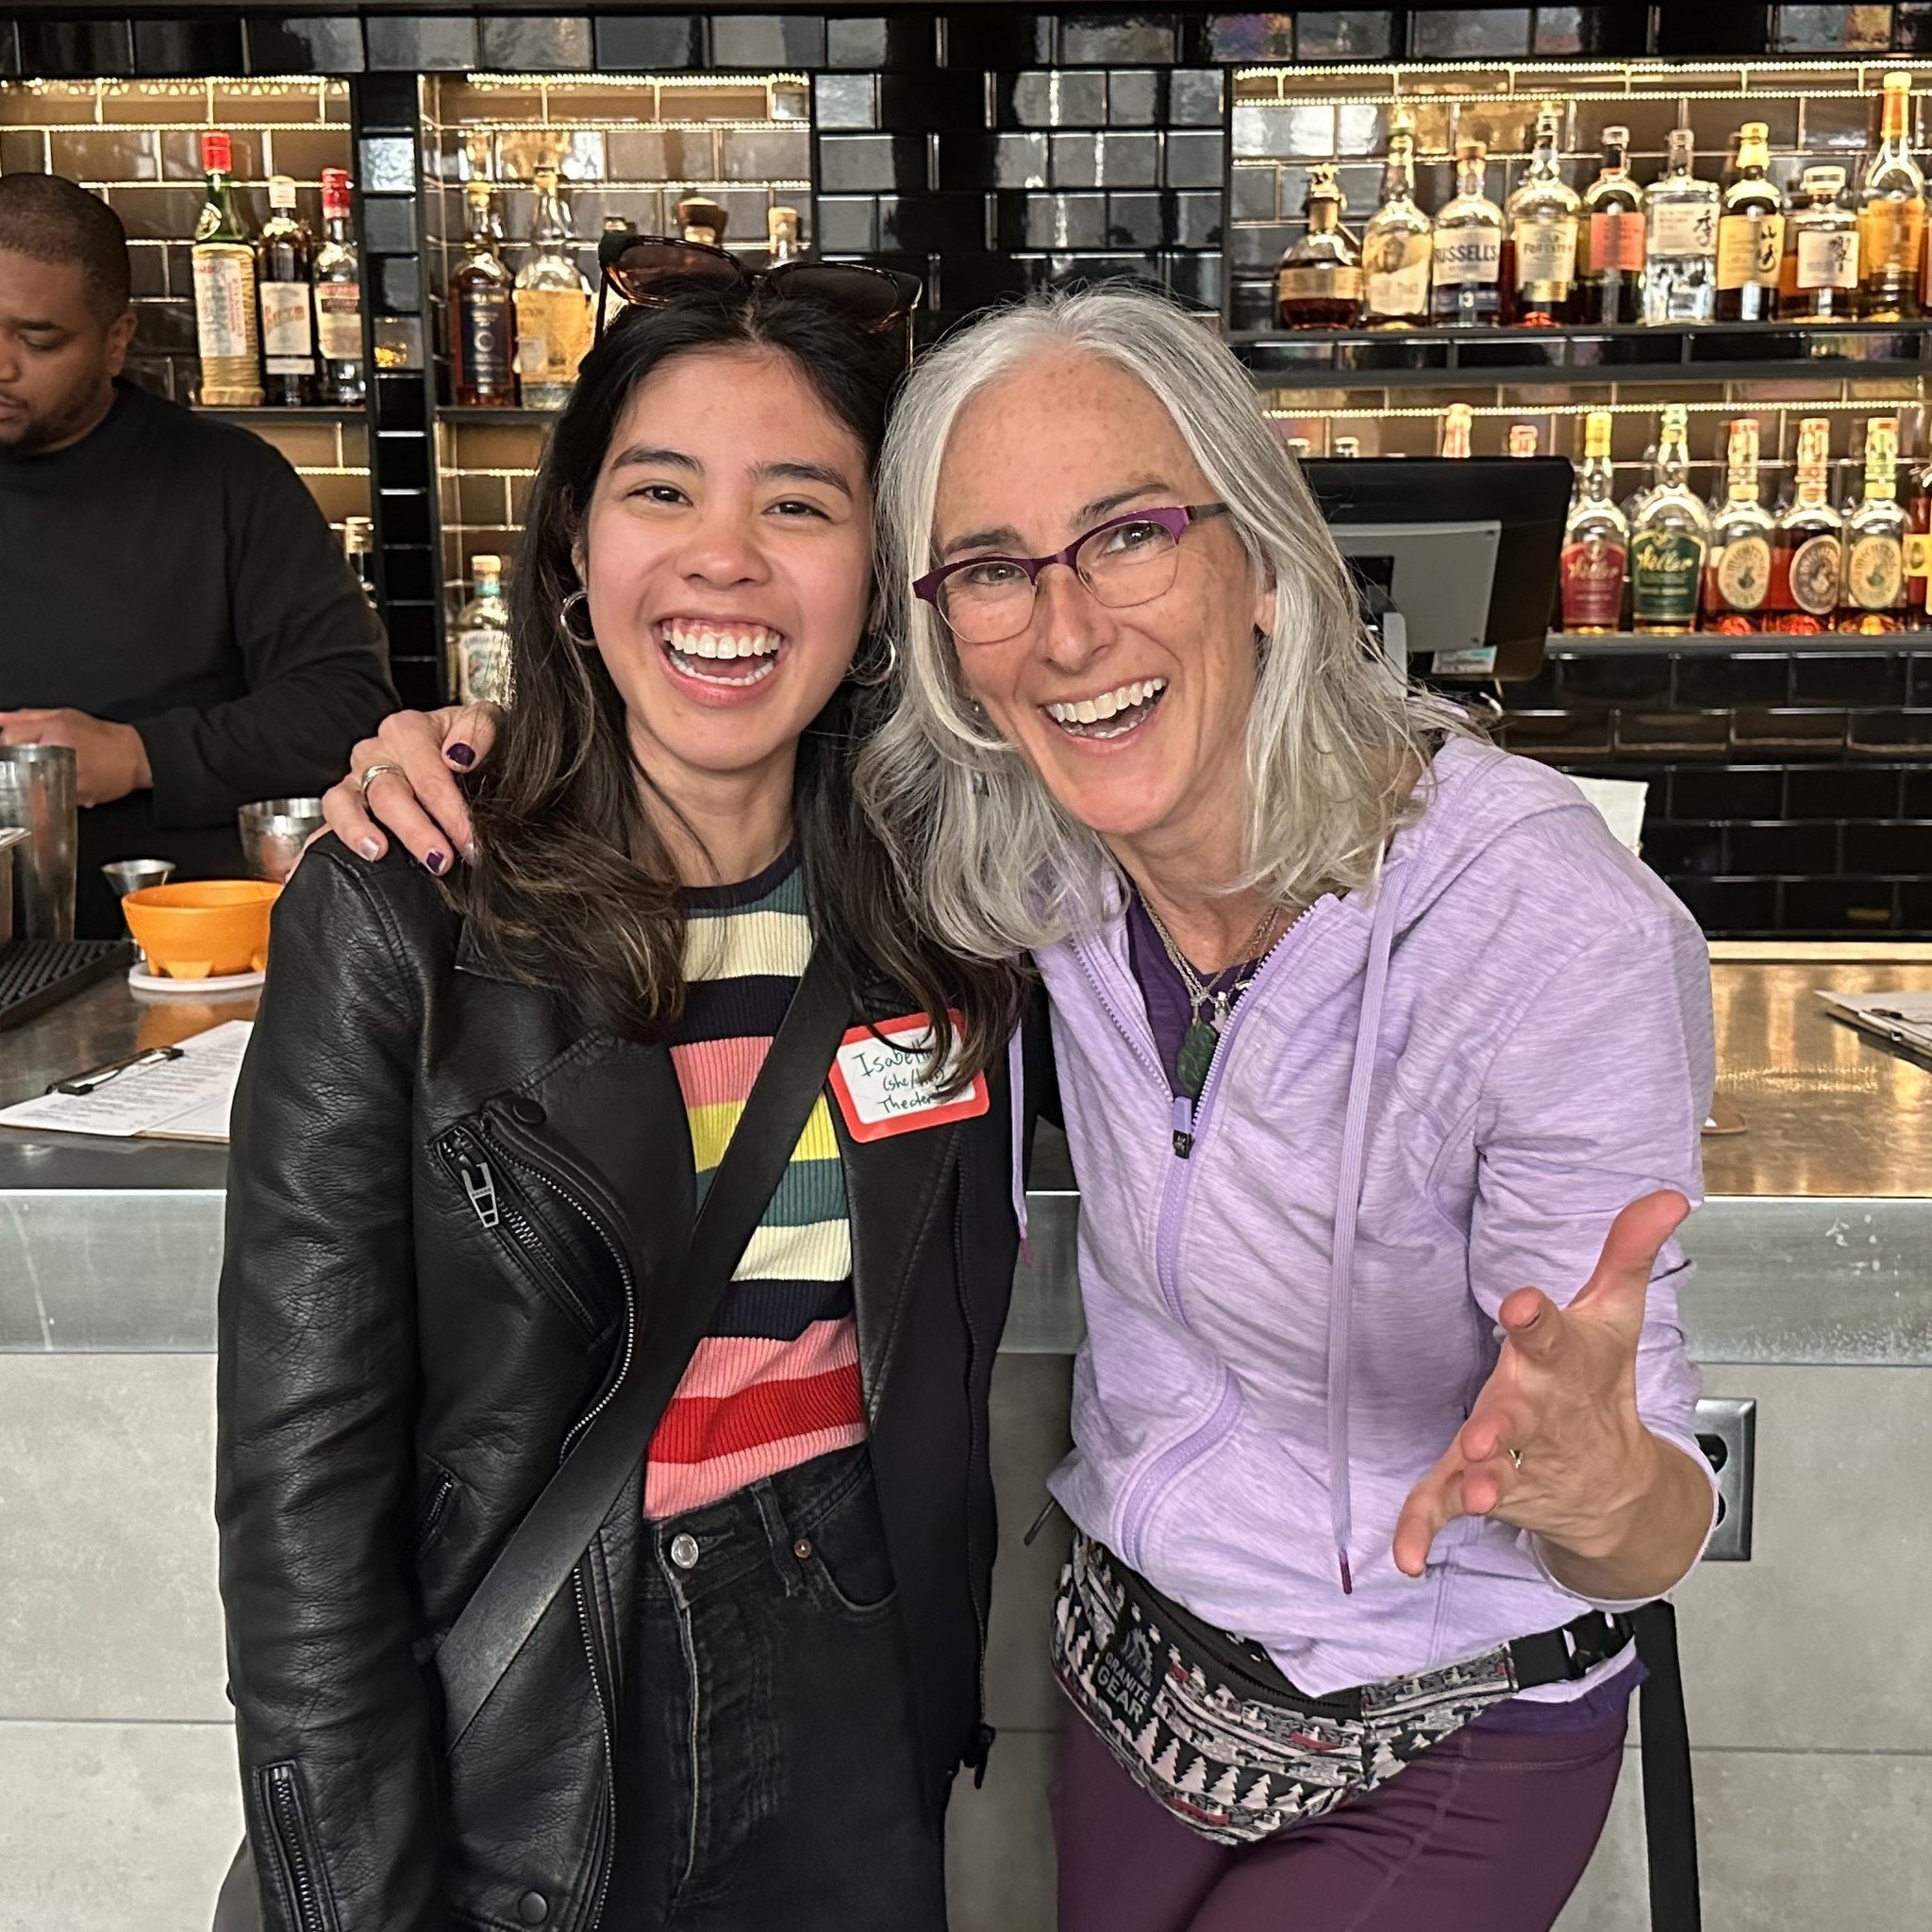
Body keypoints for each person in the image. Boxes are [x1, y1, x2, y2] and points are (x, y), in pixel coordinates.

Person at [324, 287, 1719, 1932]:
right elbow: (704, 737)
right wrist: (449, 748)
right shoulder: (1012, 858)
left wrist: (1593, 1483)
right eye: (989, 566)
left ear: (1257, 553)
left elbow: (1650, 1517)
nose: (1065, 630)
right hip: (1136, 1685)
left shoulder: (1543, 931)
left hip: (1442, 1713)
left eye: (1126, 535)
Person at [219, 272, 1036, 1932]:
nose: (722, 557)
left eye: (797, 503)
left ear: (878, 585)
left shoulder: (958, 898)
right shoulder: (405, 906)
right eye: (661, 489)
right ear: (577, 553)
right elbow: (302, 1496)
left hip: (851, 1675)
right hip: (532, 1698)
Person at [0, 172, 394, 937]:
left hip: (179, 951)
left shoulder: (227, 482)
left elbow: (345, 706)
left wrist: (142, 754)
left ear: (117, 339)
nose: (2, 364)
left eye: (37, 339)